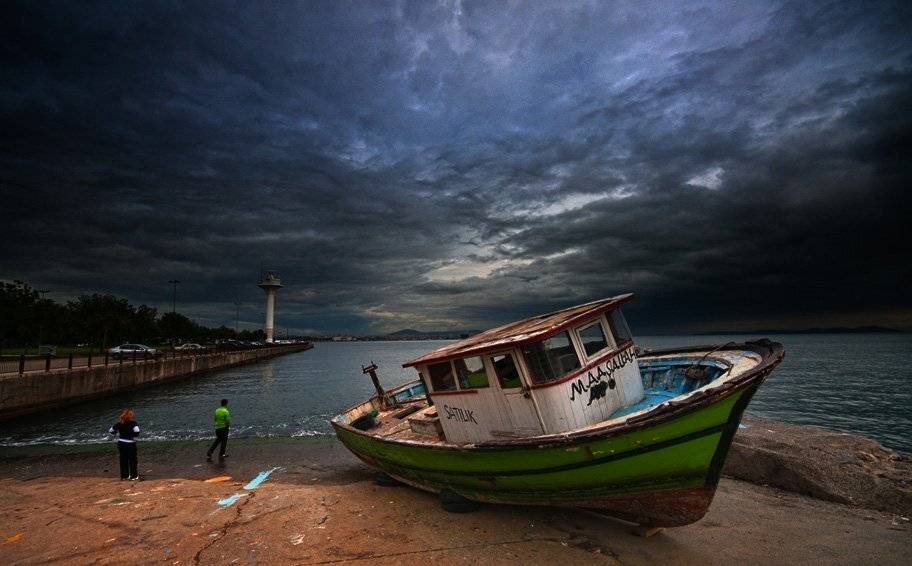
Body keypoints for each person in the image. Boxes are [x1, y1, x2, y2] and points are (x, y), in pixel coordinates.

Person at [109, 409, 140, 480]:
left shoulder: (119, 423)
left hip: (121, 443)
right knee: (132, 460)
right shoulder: (133, 423)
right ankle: (134, 476)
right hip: (130, 444)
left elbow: (110, 431)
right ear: (130, 416)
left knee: (123, 460)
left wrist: (117, 434)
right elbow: (137, 431)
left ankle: (124, 476)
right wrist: (132, 436)